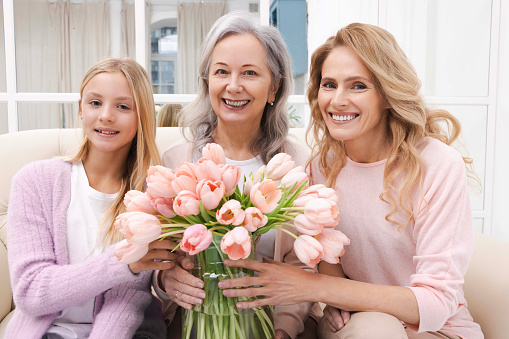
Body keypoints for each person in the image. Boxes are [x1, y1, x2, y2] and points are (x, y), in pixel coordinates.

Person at [217, 23, 484, 339]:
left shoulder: (436, 165)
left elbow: (437, 302)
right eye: (329, 85)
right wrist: (331, 296)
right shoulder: (321, 168)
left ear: (387, 94)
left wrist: (321, 287)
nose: (337, 100)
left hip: (436, 330)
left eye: (358, 86)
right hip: (353, 325)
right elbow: (329, 263)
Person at [153, 10, 321, 339]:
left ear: (274, 87)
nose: (233, 86)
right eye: (221, 72)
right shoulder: (176, 160)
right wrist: (165, 280)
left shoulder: (297, 165)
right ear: (207, 81)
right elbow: (156, 256)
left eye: (249, 73)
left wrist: (282, 331)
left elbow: (305, 267)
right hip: (195, 326)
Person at [6, 58, 177, 339]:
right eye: (95, 103)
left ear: (142, 115)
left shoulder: (156, 194)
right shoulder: (34, 182)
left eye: (122, 106)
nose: (106, 116)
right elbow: (30, 291)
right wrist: (124, 263)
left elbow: (128, 301)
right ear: (80, 108)